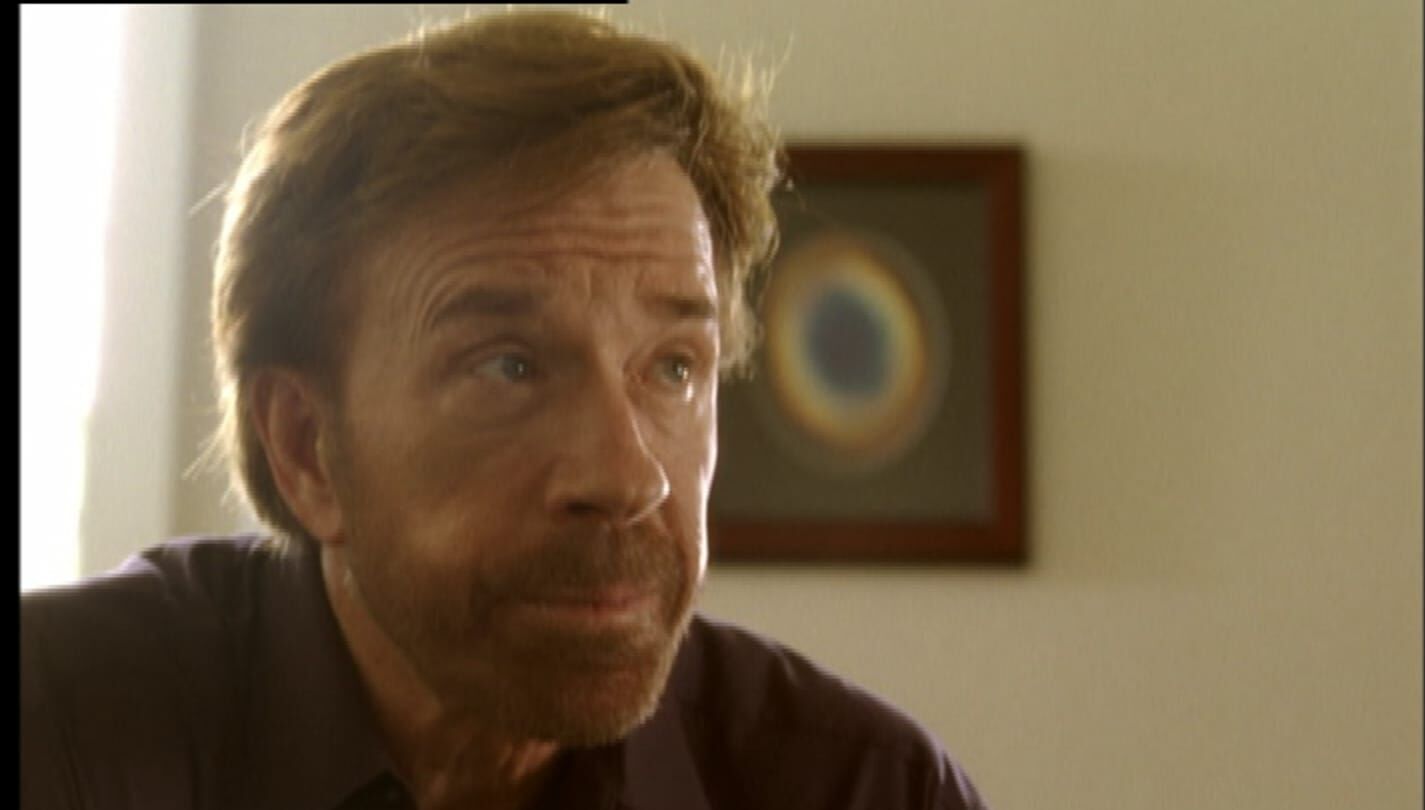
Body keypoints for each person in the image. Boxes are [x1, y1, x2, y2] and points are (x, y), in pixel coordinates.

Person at [20, 10, 991, 809]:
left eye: (672, 368)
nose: (629, 478)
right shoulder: (58, 734)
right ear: (307, 447)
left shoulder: (864, 791)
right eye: (511, 367)